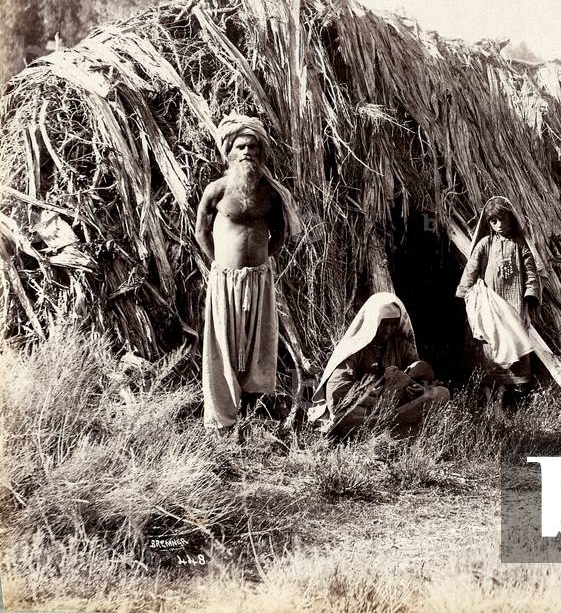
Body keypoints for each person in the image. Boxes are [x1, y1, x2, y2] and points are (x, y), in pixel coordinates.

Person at [194, 114, 300, 434]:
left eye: (253, 146)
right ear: (229, 152)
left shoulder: (271, 193)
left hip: (259, 281)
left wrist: (266, 261)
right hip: (224, 281)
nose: (246, 152)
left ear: (261, 151)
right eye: (240, 146)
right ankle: (222, 421)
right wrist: (219, 267)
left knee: (257, 347)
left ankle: (253, 416)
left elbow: (281, 232)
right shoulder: (217, 190)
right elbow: (201, 232)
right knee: (223, 345)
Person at [308, 293, 449, 439]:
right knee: (346, 419)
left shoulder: (401, 346)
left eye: (393, 323)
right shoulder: (355, 349)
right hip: (365, 411)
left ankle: (389, 428)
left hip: (397, 408)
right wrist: (372, 398)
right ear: (372, 321)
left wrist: (421, 389)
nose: (388, 330)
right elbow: (336, 397)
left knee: (441, 393)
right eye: (384, 323)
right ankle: (398, 430)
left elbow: (419, 374)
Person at [455, 196, 541, 407]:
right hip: (489, 309)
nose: (499, 225)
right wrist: (464, 294)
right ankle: (490, 401)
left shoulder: (520, 246)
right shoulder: (485, 244)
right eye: (494, 221)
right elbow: (471, 269)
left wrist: (530, 298)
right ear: (488, 223)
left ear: (511, 219)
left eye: (503, 219)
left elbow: (531, 274)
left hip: (513, 308)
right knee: (489, 350)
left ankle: (508, 401)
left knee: (514, 350)